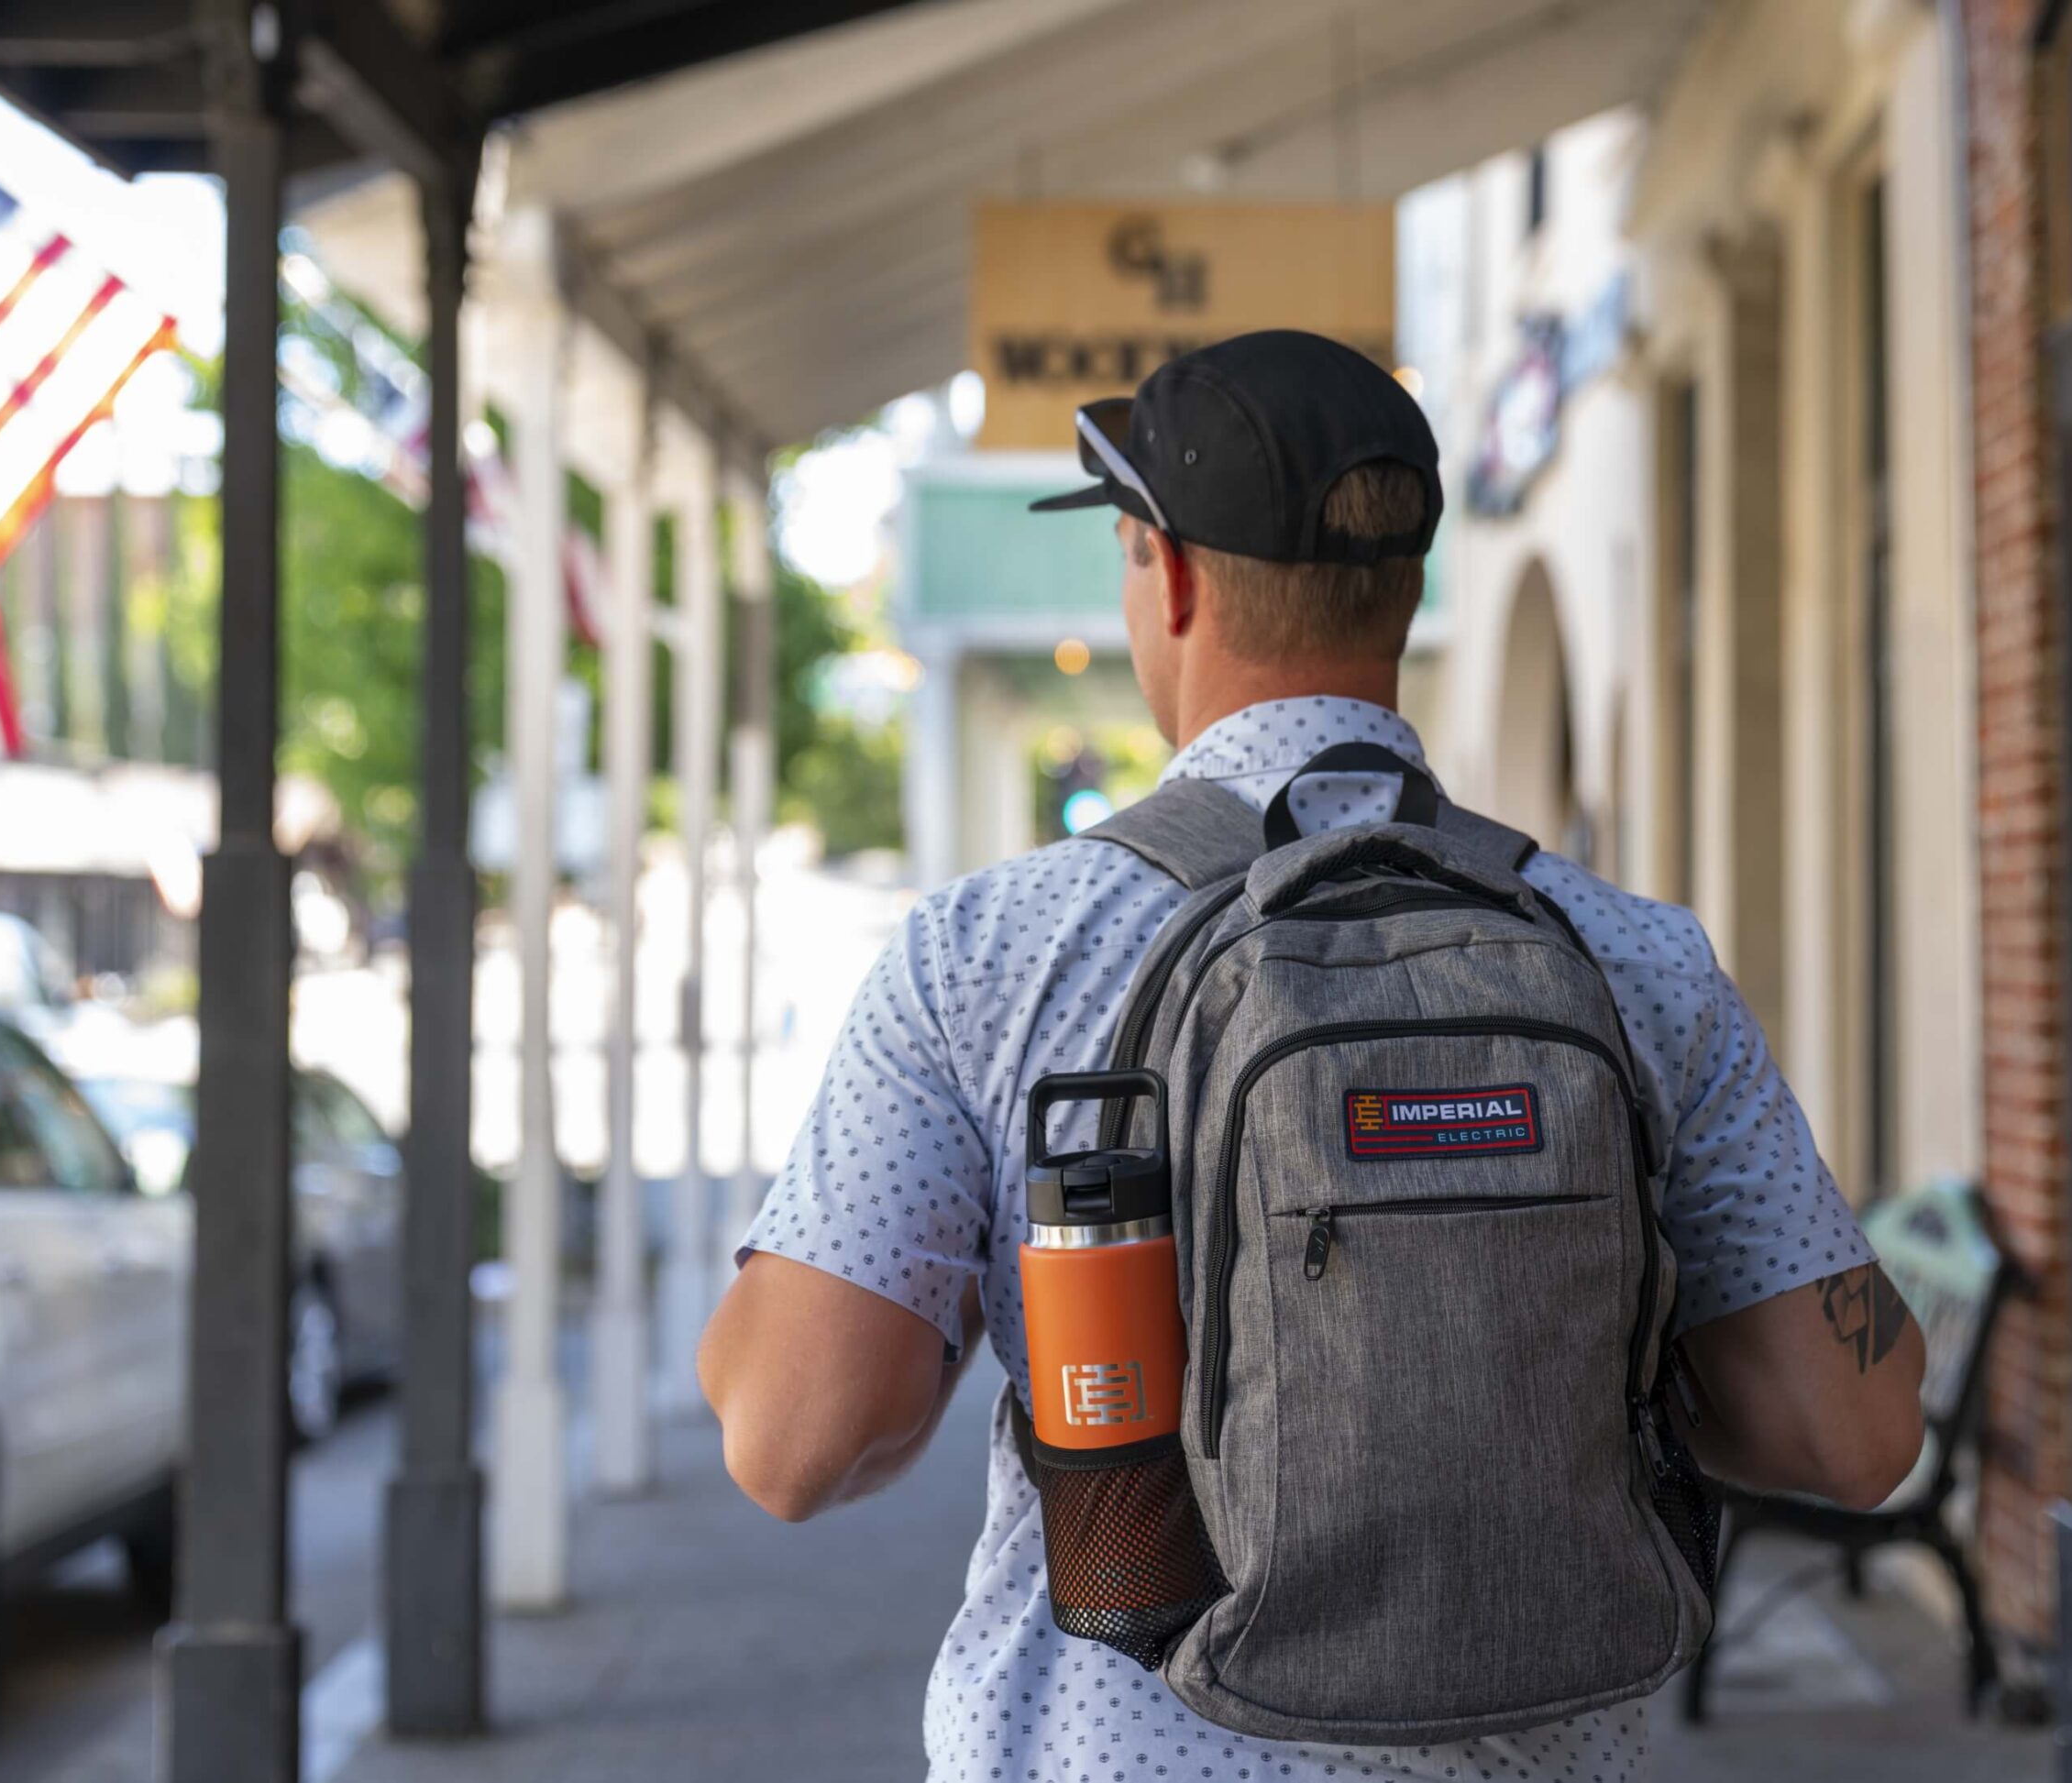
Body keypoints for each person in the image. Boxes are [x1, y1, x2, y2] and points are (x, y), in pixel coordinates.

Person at [700, 330, 1928, 1782]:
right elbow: (1855, 1435)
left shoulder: (994, 950)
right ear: (1403, 587)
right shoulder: (1634, 957)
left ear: (1165, 572)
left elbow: (798, 1438)